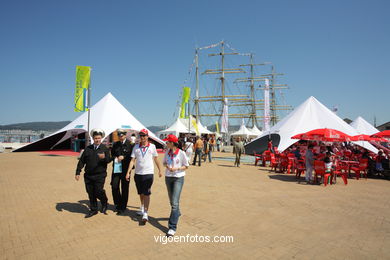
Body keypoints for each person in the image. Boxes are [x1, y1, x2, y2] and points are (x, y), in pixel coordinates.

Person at [126, 129, 162, 223]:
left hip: (148, 173)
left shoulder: (152, 147)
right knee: (141, 193)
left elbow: (156, 159)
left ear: (147, 136)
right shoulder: (136, 147)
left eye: (144, 135)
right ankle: (142, 208)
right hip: (138, 174)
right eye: (141, 136)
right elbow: (132, 160)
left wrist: (160, 170)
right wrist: (128, 172)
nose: (143, 137)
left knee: (146, 193)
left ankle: (145, 213)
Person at [75, 129, 111, 218]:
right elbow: (82, 161)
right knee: (90, 192)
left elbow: (109, 160)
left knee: (98, 191)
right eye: (96, 138)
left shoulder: (104, 149)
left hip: (100, 175)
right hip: (88, 175)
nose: (97, 140)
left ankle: (104, 202)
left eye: (99, 138)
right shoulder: (88, 149)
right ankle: (93, 209)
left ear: (101, 138)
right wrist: (78, 172)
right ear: (93, 139)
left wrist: (104, 158)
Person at [162, 134, 189, 236]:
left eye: (167, 142)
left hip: (178, 178)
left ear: (172, 143)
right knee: (172, 200)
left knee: (174, 203)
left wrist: (177, 169)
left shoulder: (181, 153)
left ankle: (172, 227)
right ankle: (177, 212)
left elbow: (186, 166)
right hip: (168, 177)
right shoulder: (167, 152)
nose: (166, 143)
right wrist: (167, 166)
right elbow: (164, 163)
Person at [111, 129, 134, 215]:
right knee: (114, 186)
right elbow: (112, 154)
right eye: (119, 135)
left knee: (124, 188)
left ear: (125, 135)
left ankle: (123, 206)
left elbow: (132, 157)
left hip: (126, 169)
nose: (120, 136)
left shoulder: (130, 144)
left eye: (122, 135)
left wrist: (124, 157)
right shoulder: (115, 144)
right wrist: (116, 157)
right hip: (116, 168)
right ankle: (118, 203)